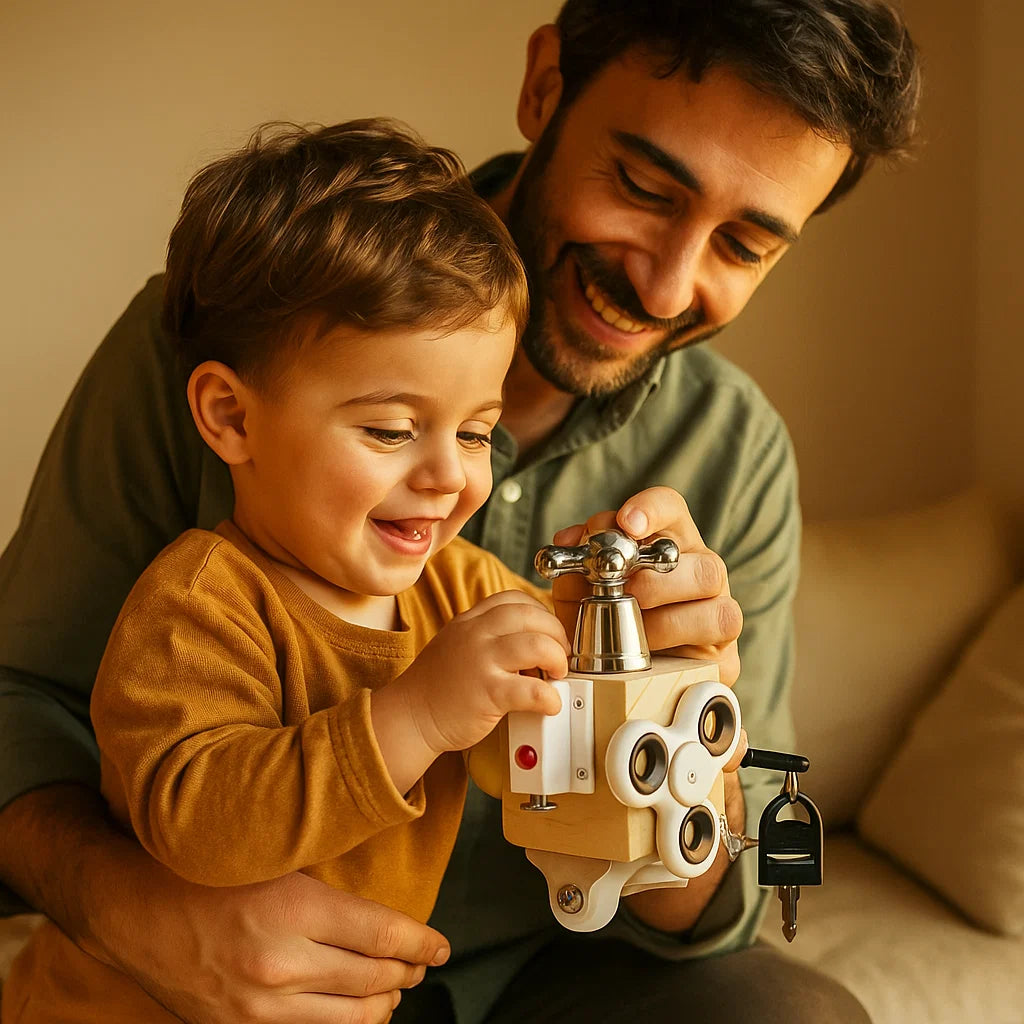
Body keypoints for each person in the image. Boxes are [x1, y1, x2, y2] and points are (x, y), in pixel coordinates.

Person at [0, 2, 921, 1022]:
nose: (666, 288)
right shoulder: (236, 332)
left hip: (540, 965)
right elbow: (23, 702)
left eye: (743, 245)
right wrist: (140, 914)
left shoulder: (731, 449)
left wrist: (667, 714)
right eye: (643, 187)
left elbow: (712, 887)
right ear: (543, 86)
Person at [1, 116, 594, 1020]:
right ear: (232, 418)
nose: (449, 475)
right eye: (390, 430)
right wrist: (415, 715)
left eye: (477, 433)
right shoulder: (200, 601)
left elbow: (543, 733)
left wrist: (617, 652)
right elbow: (198, 826)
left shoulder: (466, 591)